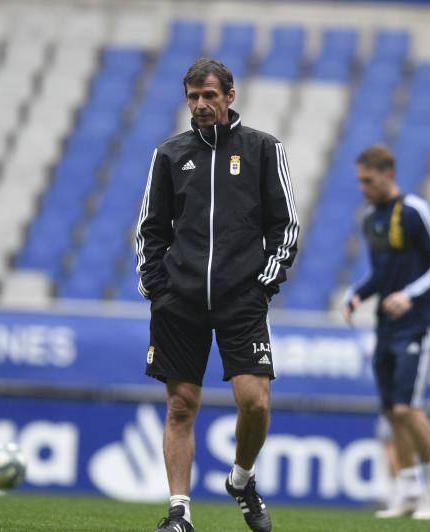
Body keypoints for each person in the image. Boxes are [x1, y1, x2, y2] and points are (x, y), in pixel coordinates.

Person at [135, 58, 299, 532]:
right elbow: (151, 229)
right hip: (180, 301)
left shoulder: (263, 149)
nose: (201, 105)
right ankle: (179, 513)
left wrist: (264, 283)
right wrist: (158, 288)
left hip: (241, 299)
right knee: (181, 406)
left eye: (209, 95)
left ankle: (242, 479)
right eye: (193, 97)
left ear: (230, 95)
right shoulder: (169, 155)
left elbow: (284, 224)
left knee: (256, 402)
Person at [343, 144, 430, 520]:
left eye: (368, 181)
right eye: (360, 181)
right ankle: (406, 491)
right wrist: (358, 294)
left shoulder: (415, 210)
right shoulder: (372, 219)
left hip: (419, 323)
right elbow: (381, 272)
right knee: (392, 411)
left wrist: (409, 295)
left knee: (409, 408)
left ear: (387, 175)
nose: (363, 188)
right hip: (386, 326)